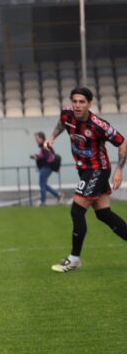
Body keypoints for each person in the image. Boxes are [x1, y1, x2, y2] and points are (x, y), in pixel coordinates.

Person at [43, 87, 127, 272]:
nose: (77, 105)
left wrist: (119, 170)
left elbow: (122, 143)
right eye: (75, 101)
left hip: (98, 169)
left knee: (76, 211)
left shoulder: (99, 125)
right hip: (84, 170)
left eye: (82, 102)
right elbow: (61, 124)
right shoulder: (67, 113)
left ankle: (74, 259)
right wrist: (51, 138)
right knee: (104, 214)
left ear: (89, 103)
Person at [31, 132, 62, 205]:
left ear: (42, 138)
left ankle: (43, 201)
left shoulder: (45, 146)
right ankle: (58, 195)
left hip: (46, 167)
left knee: (42, 184)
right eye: (35, 138)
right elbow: (46, 156)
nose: (36, 140)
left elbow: (47, 157)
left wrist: (37, 157)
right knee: (43, 184)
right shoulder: (43, 146)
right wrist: (37, 157)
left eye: (37, 138)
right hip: (45, 167)